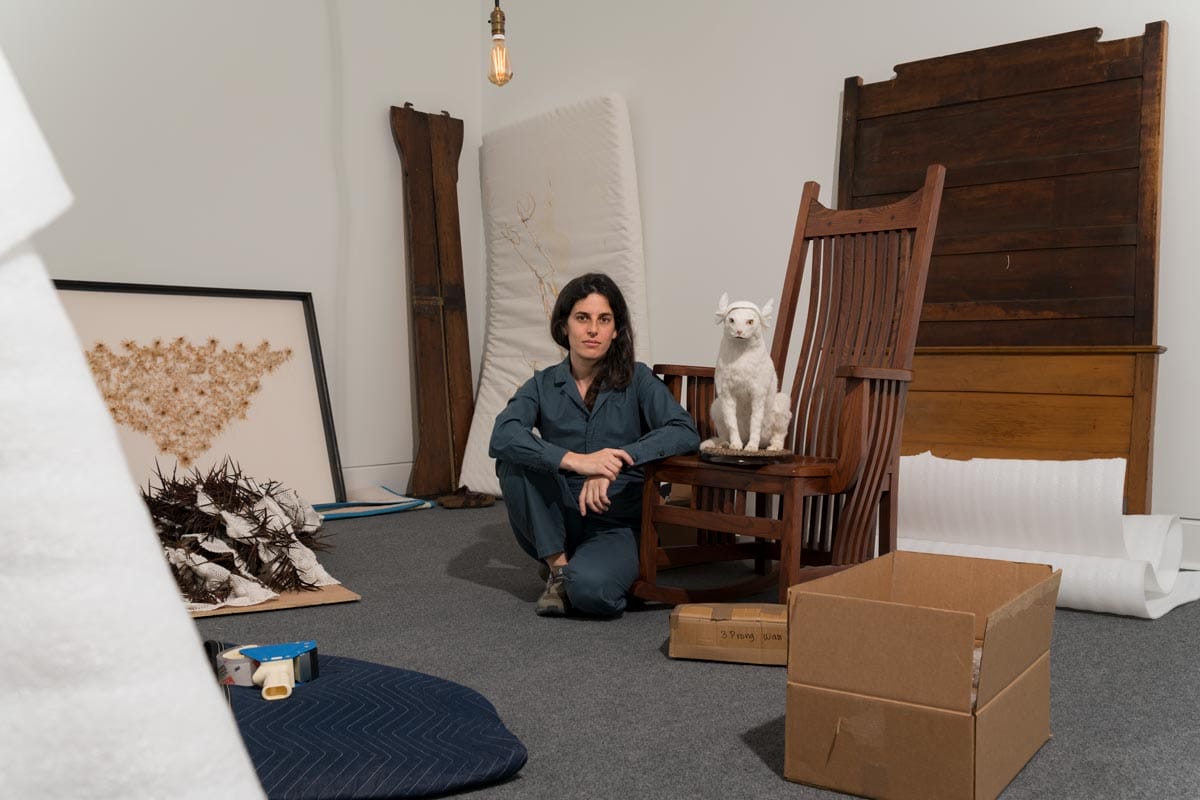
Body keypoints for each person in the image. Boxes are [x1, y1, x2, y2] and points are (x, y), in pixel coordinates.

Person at [490, 273, 700, 618]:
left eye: (604, 320)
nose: (593, 330)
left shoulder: (638, 378)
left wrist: (617, 459)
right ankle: (559, 568)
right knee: (513, 459)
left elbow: (682, 430)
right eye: (582, 318)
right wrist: (576, 461)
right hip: (555, 516)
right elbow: (504, 434)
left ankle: (581, 575)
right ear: (564, 327)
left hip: (616, 521)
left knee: (591, 594)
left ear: (616, 330)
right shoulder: (542, 384)